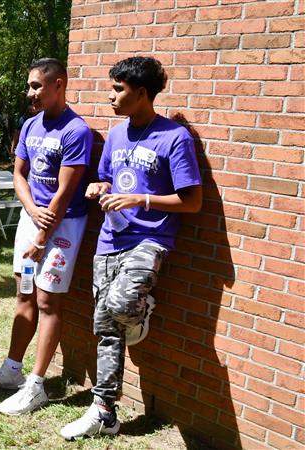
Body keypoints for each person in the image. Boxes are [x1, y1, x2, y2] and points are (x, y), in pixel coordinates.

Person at [61, 56, 202, 440]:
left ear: (142, 93)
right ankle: (105, 412)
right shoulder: (118, 134)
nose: (111, 96)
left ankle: (138, 311)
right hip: (110, 239)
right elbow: (107, 178)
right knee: (106, 327)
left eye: (118, 89)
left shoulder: (174, 137)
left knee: (121, 306)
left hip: (150, 239)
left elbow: (192, 202)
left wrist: (141, 199)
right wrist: (98, 187)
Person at [0, 59, 92, 418]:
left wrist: (42, 234)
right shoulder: (29, 125)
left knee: (48, 301)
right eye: (29, 86)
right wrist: (31, 211)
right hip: (31, 219)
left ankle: (36, 386)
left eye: (37, 86)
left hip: (62, 227)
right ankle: (11, 369)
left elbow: (65, 194)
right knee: (23, 292)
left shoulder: (76, 131)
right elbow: (19, 174)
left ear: (59, 85)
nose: (30, 93)